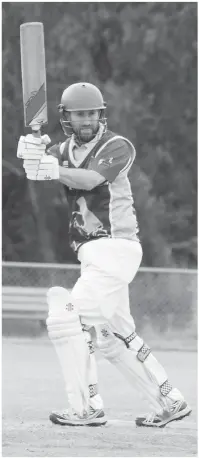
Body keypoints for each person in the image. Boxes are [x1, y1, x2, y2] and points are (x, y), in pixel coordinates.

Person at [17, 82, 191, 427]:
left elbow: (90, 179)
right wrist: (32, 152)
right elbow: (39, 169)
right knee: (114, 338)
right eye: (80, 114)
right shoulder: (64, 151)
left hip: (115, 247)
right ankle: (170, 400)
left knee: (67, 318)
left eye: (92, 113)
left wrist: (51, 168)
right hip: (92, 253)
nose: (87, 120)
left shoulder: (117, 146)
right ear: (66, 117)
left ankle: (85, 408)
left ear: (101, 114)